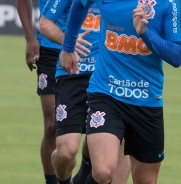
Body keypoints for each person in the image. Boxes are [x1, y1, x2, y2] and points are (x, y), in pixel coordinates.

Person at [60, 0, 181, 183]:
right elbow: (80, 4)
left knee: (146, 181)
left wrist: (145, 33)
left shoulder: (170, 3)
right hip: (106, 93)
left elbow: (177, 56)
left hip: (147, 100)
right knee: (102, 171)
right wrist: (68, 47)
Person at [39, 1, 130, 184]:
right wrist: (68, 43)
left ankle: (82, 177)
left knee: (115, 144)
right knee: (66, 153)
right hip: (72, 73)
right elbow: (45, 24)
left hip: (107, 78)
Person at [16, 1, 61, 183]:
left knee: (94, 126)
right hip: (49, 50)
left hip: (88, 49)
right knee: (52, 127)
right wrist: (30, 38)